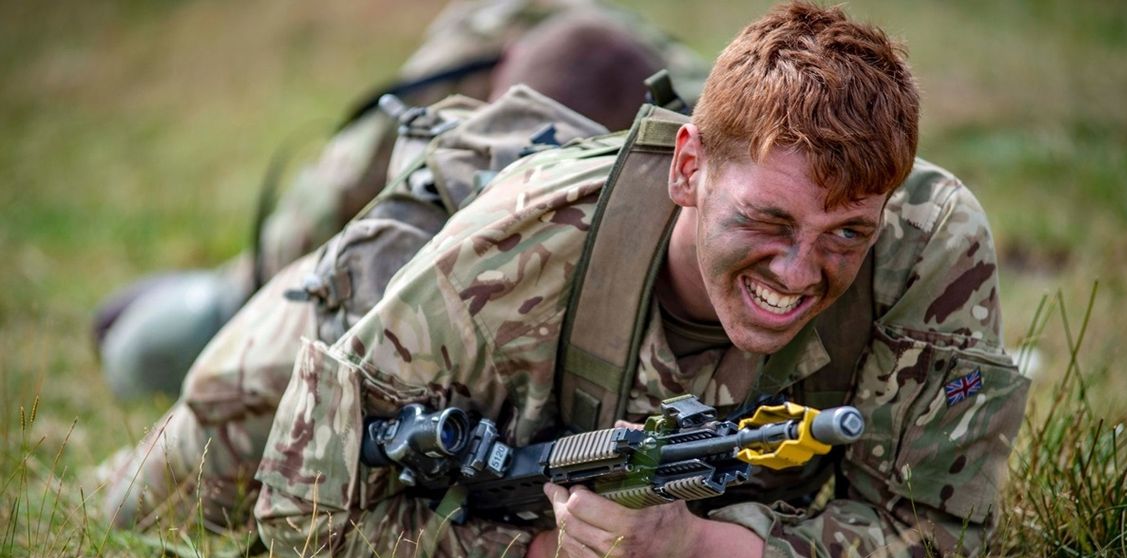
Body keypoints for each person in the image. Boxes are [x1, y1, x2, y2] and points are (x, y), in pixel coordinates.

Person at [100, 1, 1030, 558]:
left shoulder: (925, 249)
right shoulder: (510, 250)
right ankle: (217, 292)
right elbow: (308, 510)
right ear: (690, 168)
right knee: (163, 468)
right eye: (769, 221)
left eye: (844, 235)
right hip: (398, 271)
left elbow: (938, 539)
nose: (799, 272)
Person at [94, 0, 708, 400]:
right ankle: (207, 300)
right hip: (492, 66)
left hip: (622, 102)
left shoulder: (701, 129)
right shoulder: (474, 59)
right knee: (230, 312)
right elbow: (330, 229)